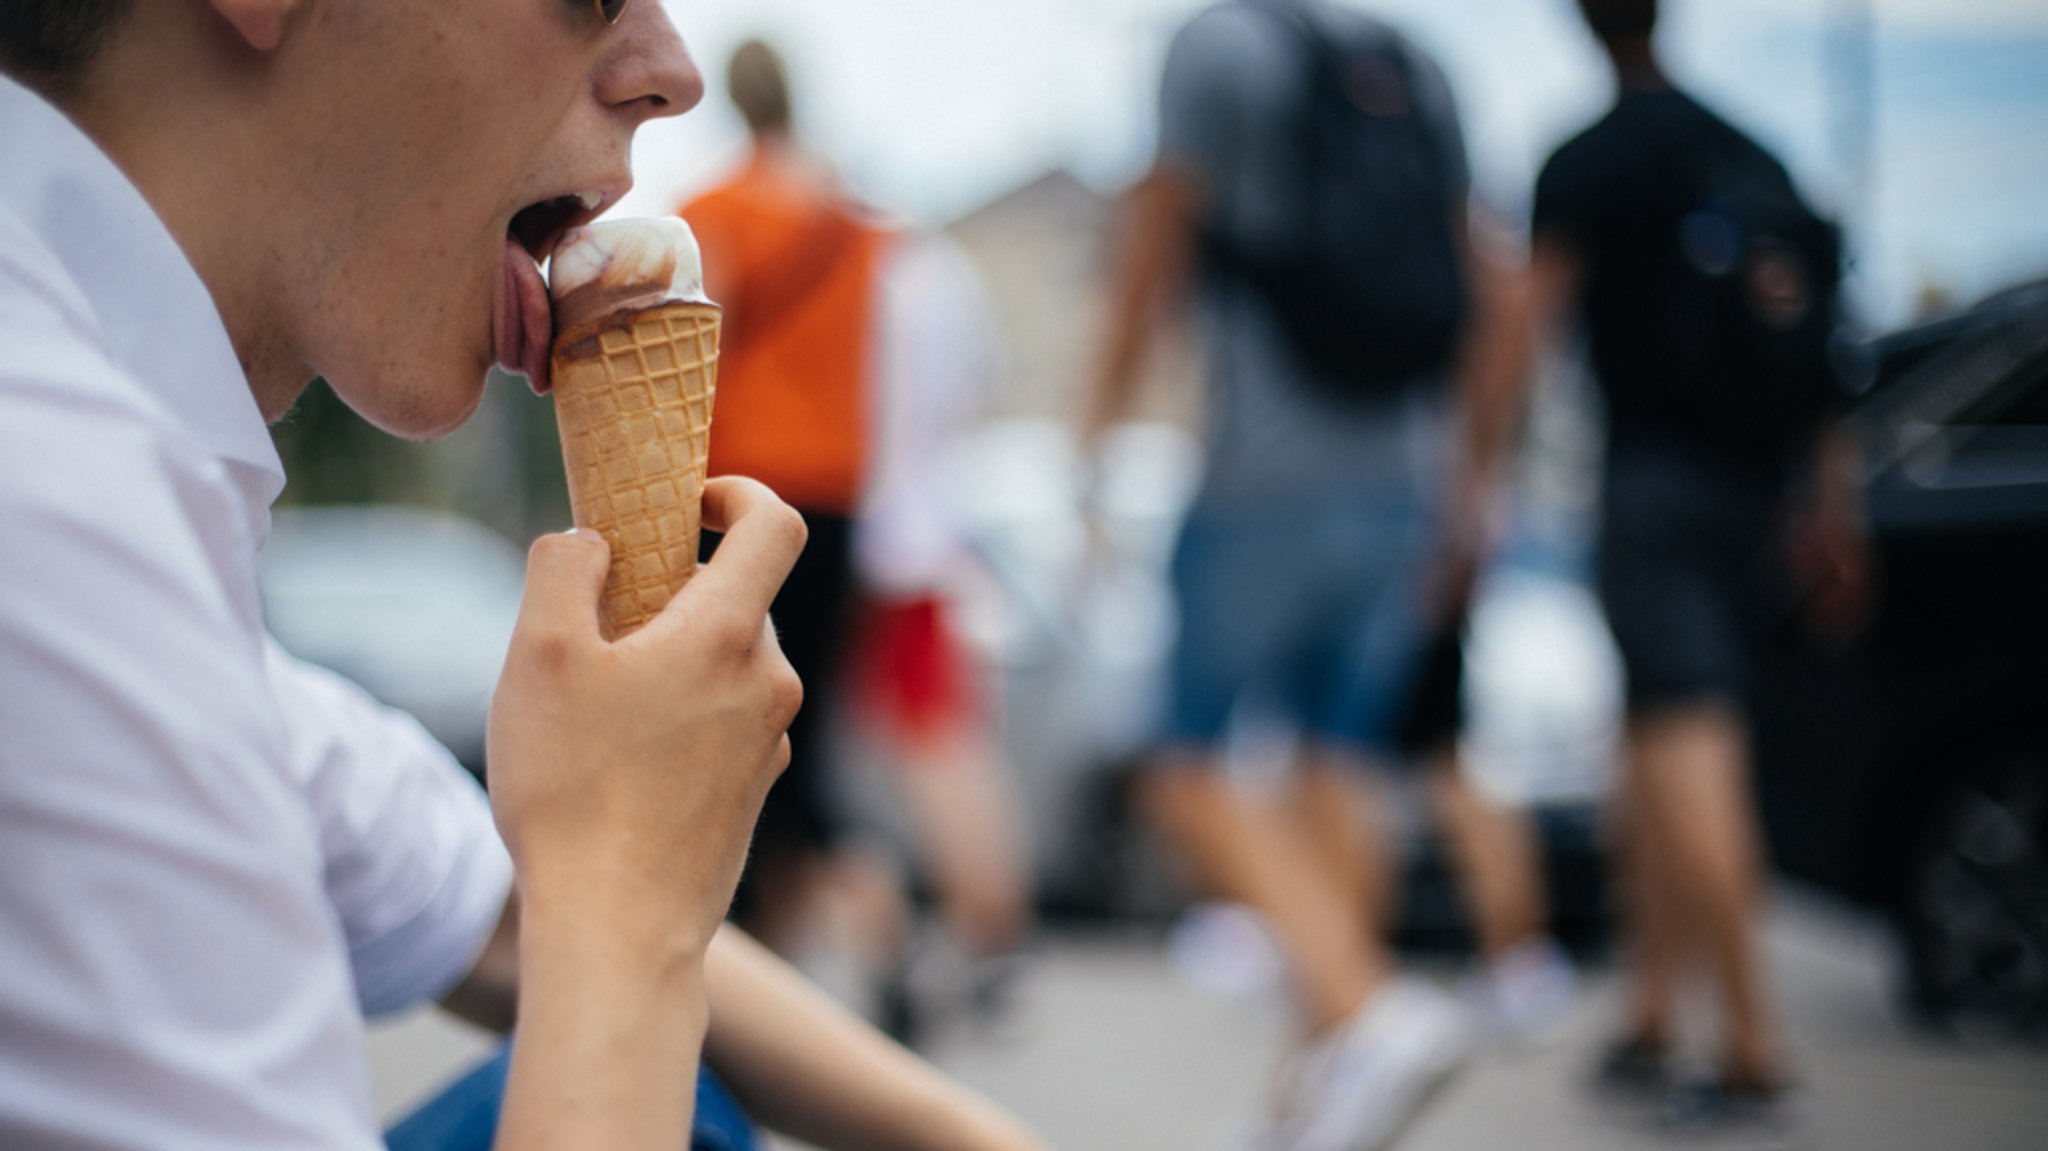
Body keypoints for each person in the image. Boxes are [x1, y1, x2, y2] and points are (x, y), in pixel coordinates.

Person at [0, 4, 1044, 1149]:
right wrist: (631, 885)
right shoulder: (51, 510)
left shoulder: (101, 469)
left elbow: (468, 901)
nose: (672, 74)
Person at [1087, 1, 1537, 1145]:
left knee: (1181, 763)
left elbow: (1158, 234)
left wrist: (1097, 426)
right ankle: (1318, 1089)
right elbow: (1487, 280)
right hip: (1408, 474)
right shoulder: (1417, 64)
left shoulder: (1215, 46)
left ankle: (1364, 1008)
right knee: (1336, 769)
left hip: (1262, 475)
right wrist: (1471, 479)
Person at [1510, 0, 1871, 1133]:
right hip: (1758, 498)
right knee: (1646, 749)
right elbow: (1825, 358)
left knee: (1685, 744)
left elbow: (1518, 334)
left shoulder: (1589, 161)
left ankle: (1752, 1044)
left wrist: (1470, 482)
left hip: (1652, 487)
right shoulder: (1752, 152)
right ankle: (1651, 1009)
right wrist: (1830, 511)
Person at [679, 38, 895, 958]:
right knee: (813, 726)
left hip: (739, 493)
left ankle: (764, 942)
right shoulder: (853, 224)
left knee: (738, 723)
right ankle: (841, 930)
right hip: (840, 491)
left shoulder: (713, 213)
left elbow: (698, 347)